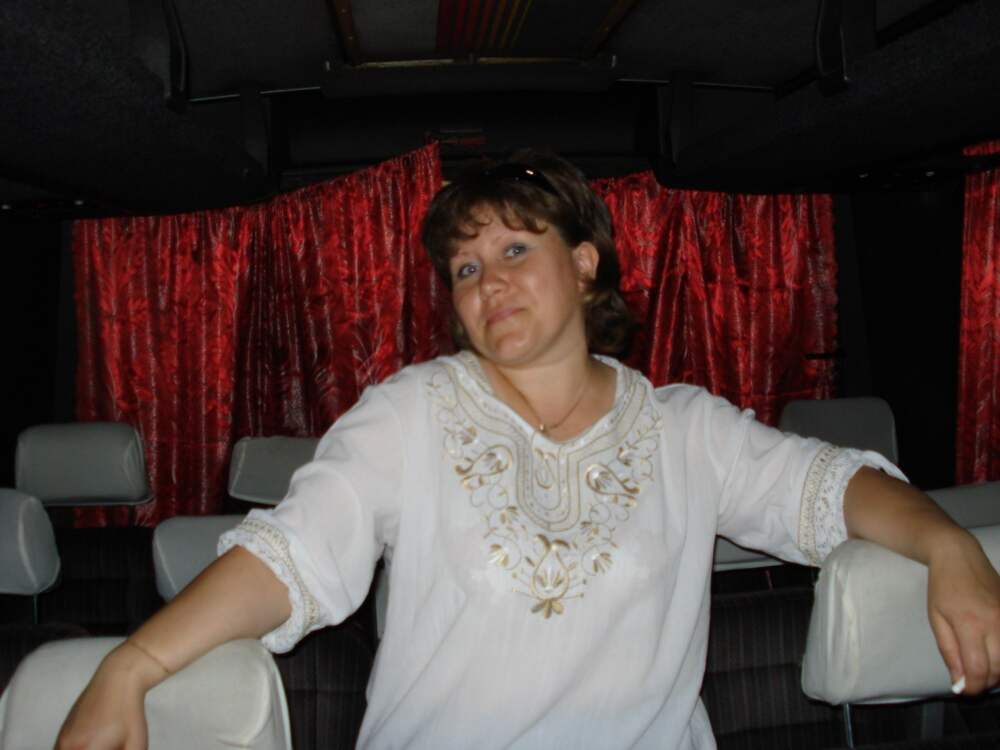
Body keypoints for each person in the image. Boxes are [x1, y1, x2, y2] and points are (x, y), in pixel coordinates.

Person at [58, 151, 1000, 750]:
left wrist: (947, 544)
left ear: (584, 263)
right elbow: (290, 557)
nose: (488, 282)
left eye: (515, 250)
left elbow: (830, 490)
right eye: (465, 268)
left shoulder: (687, 429)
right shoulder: (411, 413)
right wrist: (132, 665)